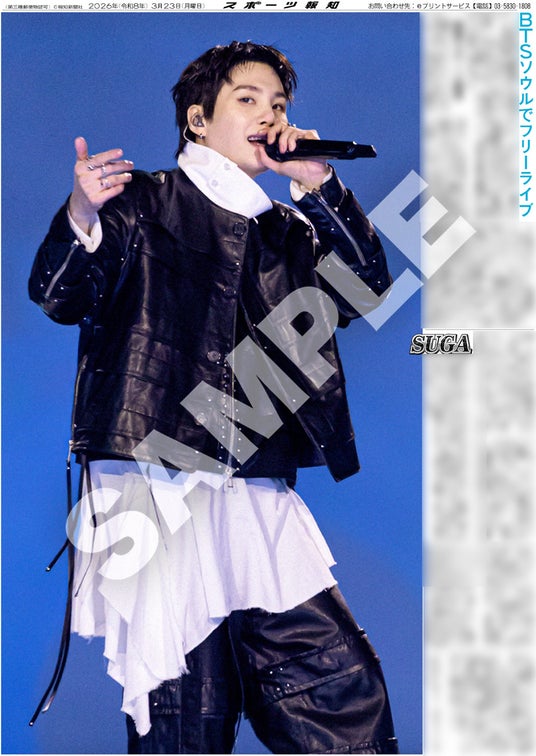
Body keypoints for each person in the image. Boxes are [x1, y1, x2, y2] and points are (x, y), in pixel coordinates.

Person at [29, 41, 399, 754]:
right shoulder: (141, 203)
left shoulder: (287, 230)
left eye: (278, 104)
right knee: (186, 721)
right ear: (198, 120)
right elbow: (57, 295)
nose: (269, 115)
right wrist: (79, 213)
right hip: (156, 486)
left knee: (343, 700)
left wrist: (320, 186)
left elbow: (366, 289)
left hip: (252, 486)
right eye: (247, 99)